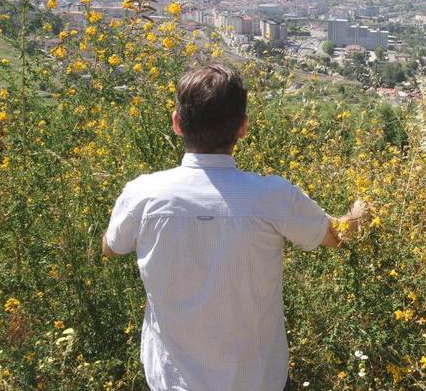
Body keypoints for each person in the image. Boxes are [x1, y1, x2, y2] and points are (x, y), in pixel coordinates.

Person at [101, 64, 366, 391]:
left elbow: (111, 246)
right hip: (257, 381)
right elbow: (337, 236)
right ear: (242, 127)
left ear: (176, 123)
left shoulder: (142, 195)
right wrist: (362, 210)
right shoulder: (272, 197)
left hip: (170, 382)